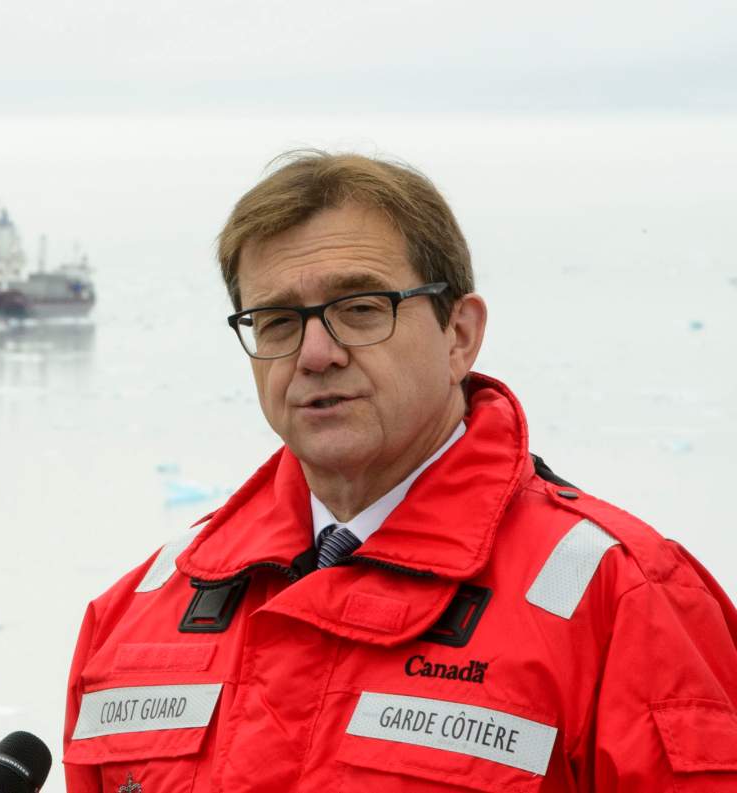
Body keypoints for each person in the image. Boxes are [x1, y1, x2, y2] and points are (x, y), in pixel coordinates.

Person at [61, 151, 737, 792]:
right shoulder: (141, 613)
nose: (316, 353)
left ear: (460, 334)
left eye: (360, 309)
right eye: (276, 321)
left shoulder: (624, 600)